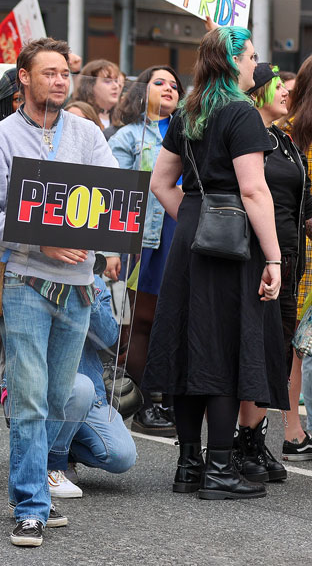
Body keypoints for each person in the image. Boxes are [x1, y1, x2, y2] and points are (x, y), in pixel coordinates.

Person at [0, 37, 118, 547]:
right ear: (25, 78)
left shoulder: (88, 132)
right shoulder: (0, 139)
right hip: (26, 284)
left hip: (79, 289)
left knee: (59, 396)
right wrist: (42, 240)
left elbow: (111, 195)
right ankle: (32, 504)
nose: (59, 80)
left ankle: (34, 480)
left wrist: (111, 244)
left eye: (65, 73)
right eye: (49, 72)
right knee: (31, 398)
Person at [144, 27, 283, 501]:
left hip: (192, 233)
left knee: (188, 342)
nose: (255, 64)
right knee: (223, 345)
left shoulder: (189, 110)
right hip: (233, 239)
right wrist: (276, 257)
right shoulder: (243, 113)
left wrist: (193, 218)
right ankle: (221, 469)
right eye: (250, 55)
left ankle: (189, 466)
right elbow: (253, 190)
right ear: (232, 62)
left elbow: (162, 183)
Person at [233, 63, 312, 481]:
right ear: (258, 91)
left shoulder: (284, 139)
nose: (287, 92)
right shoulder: (250, 137)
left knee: (277, 351)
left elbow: (306, 205)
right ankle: (245, 443)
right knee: (258, 350)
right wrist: (270, 256)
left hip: (290, 260)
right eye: (278, 85)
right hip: (259, 259)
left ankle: (254, 438)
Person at [108, 66, 186, 437]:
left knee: (179, 319)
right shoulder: (127, 136)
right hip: (150, 239)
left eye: (174, 85)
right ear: (143, 91)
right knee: (144, 321)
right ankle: (145, 404)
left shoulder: (190, 128)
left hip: (187, 233)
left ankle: (172, 398)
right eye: (160, 82)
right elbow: (115, 192)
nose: (169, 88)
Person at [48, 275, 137, 491]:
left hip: (90, 397)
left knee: (123, 455)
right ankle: (53, 464)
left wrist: (90, 293)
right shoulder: (41, 272)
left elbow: (107, 339)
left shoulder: (93, 278)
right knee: (80, 387)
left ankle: (61, 446)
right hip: (45, 391)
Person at [277, 55, 312, 459]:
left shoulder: (289, 129)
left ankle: (294, 430)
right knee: (298, 344)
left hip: (296, 241)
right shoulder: (289, 132)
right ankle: (292, 429)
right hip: (300, 244)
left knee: (300, 343)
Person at [74, 59, 121, 129]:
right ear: (90, 86)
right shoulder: (79, 114)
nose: (116, 86)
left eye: (116, 81)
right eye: (108, 81)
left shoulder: (121, 116)